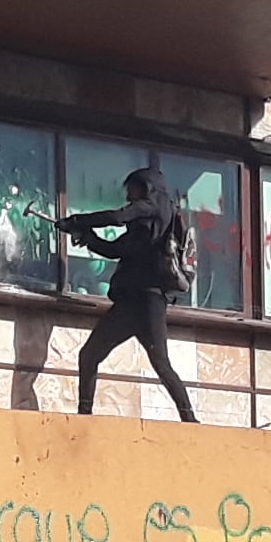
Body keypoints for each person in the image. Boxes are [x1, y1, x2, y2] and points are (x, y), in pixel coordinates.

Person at [55, 168, 197, 423]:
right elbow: (115, 249)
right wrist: (89, 238)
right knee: (91, 356)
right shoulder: (143, 228)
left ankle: (190, 420)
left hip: (148, 301)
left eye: (132, 189)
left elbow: (117, 217)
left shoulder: (157, 206)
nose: (129, 197)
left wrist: (78, 221)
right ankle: (84, 415)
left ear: (146, 187)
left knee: (159, 363)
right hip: (133, 302)